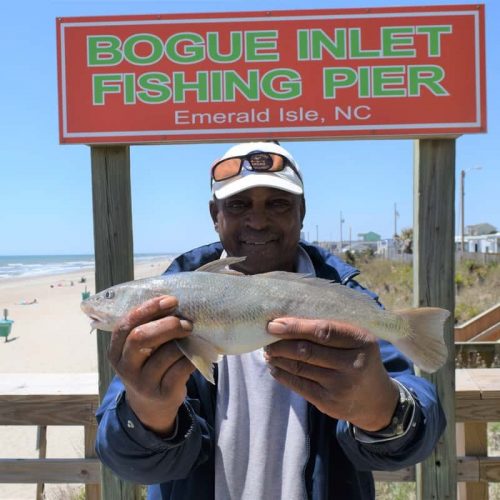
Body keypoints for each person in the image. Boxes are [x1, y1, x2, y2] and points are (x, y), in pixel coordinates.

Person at [95, 141, 446, 500]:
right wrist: (147, 413)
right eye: (238, 204)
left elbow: (419, 425)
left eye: (277, 203)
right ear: (215, 215)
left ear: (302, 211)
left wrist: (382, 410)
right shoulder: (173, 298)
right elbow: (124, 458)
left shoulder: (340, 294)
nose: (258, 220)